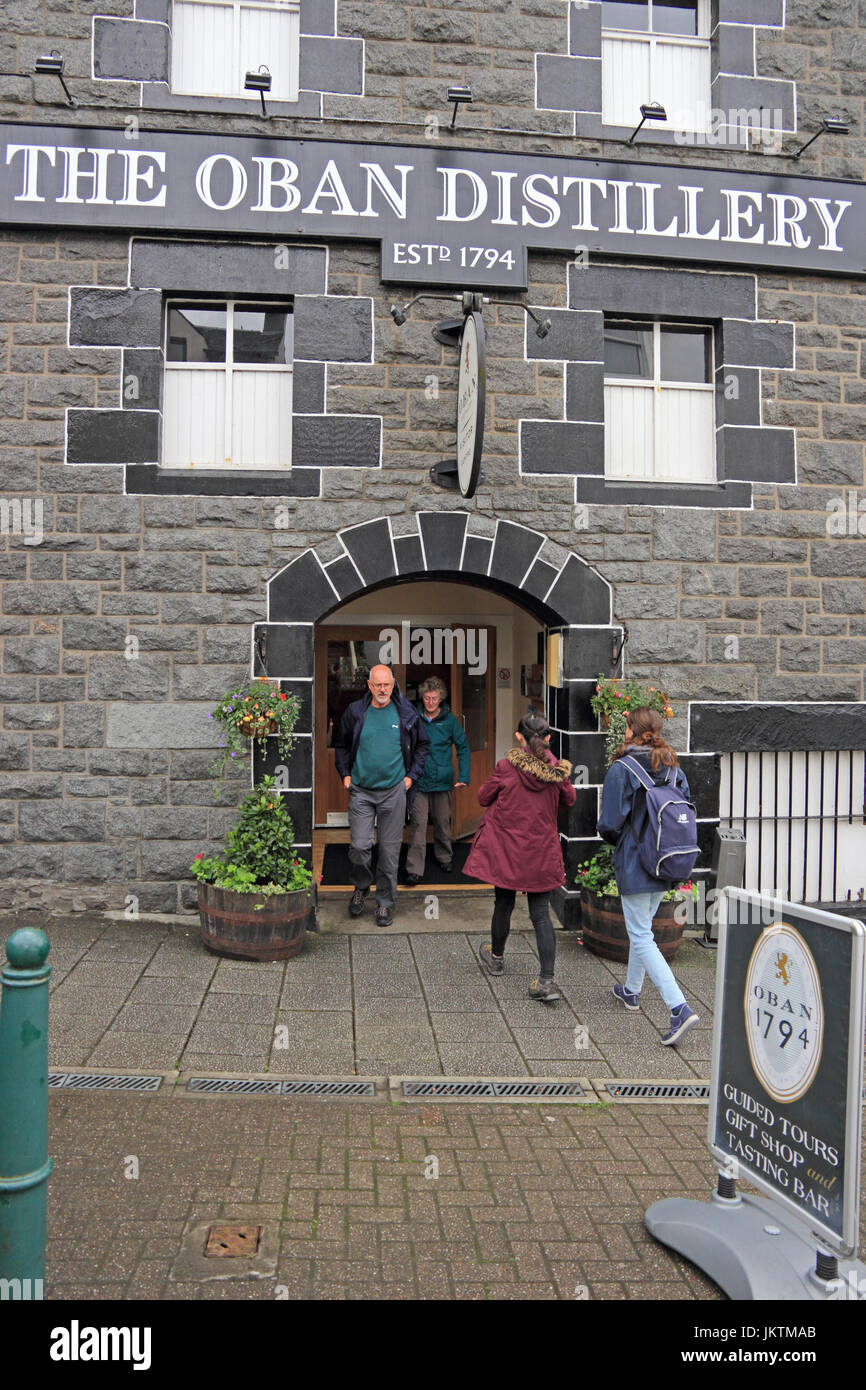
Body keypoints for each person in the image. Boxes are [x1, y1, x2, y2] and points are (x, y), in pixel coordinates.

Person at [597, 706, 700, 1045]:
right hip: (667, 861)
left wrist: (623, 844)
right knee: (642, 929)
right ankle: (631, 991)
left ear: (631, 730)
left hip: (636, 861)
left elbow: (609, 823)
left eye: (625, 726)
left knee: (641, 936)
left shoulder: (622, 768)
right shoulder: (672, 766)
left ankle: (679, 1008)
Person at [465, 711, 576, 1002]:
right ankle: (547, 980)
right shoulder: (557, 773)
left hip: (508, 850)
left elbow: (482, 797)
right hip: (541, 851)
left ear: (518, 736)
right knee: (541, 914)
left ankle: (497, 957)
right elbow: (571, 799)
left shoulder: (506, 766)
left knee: (503, 903)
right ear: (548, 737)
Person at [333, 664, 429, 927]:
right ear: (369, 685)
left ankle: (385, 904)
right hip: (362, 791)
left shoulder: (406, 711)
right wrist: (345, 774)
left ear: (393, 683)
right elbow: (340, 744)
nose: (383, 689)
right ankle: (362, 886)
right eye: (377, 684)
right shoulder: (356, 712)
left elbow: (422, 745)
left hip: (393, 792)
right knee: (360, 847)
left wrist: (410, 777)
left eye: (387, 684)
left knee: (389, 853)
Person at [405, 677, 471, 885]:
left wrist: (464, 776)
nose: (430, 702)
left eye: (434, 698)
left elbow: (463, 748)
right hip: (418, 779)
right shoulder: (413, 717)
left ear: (440, 699)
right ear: (422, 697)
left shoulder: (450, 720)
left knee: (442, 822)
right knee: (419, 823)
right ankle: (414, 868)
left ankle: (444, 857)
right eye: (426, 698)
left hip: (443, 780)